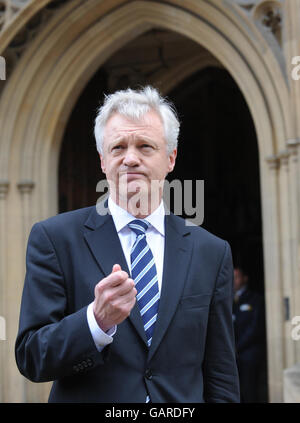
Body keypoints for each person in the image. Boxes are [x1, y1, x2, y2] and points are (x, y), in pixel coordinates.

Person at [15, 86, 240, 403]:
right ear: (103, 161)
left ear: (171, 158)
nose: (130, 158)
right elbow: (31, 357)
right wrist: (96, 321)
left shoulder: (211, 252)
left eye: (145, 146)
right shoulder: (54, 239)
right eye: (118, 147)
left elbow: (221, 375)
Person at [233, 267, 266, 402]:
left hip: (248, 355)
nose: (233, 281)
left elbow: (255, 328)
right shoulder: (225, 300)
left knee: (249, 391)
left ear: (244, 279)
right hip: (232, 356)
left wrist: (237, 347)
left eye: (236, 277)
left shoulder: (255, 299)